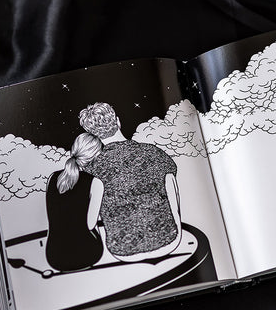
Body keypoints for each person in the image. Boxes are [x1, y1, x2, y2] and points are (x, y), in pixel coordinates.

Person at [78, 102, 181, 261]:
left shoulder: (91, 167)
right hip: (170, 241)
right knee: (168, 177)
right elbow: (172, 188)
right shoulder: (153, 152)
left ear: (90, 134)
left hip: (122, 251)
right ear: (118, 121)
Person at [45, 133, 104, 272]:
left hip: (54, 256)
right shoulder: (95, 183)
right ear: (95, 156)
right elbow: (90, 225)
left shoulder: (52, 178)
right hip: (87, 254)